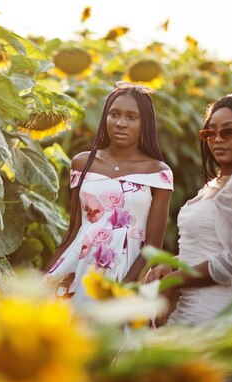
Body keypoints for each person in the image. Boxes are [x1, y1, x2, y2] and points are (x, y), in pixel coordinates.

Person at [145, 93, 232, 325]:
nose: (217, 139)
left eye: (228, 132)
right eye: (210, 133)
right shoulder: (212, 185)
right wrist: (170, 265)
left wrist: (175, 280)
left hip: (214, 311)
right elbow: (205, 250)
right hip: (186, 308)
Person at [43, 82, 174, 307]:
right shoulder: (83, 163)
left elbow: (153, 245)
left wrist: (124, 290)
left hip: (127, 271)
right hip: (79, 269)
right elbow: (74, 231)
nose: (121, 123)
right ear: (105, 118)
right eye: (114, 114)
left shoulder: (158, 173)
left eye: (132, 117)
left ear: (145, 124)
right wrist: (43, 278)